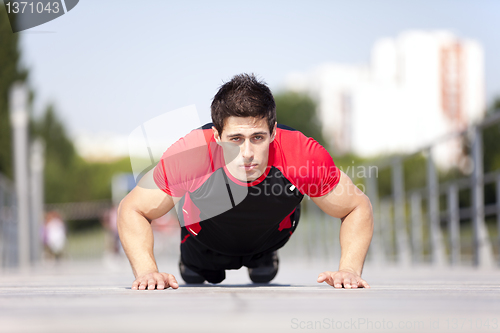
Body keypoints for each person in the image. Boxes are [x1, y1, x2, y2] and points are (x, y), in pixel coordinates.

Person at [117, 73, 373, 290]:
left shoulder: (301, 154)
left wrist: (349, 269)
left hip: (269, 237)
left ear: (273, 132)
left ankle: (263, 257)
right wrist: (146, 272)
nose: (247, 152)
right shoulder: (190, 155)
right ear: (217, 135)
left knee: (264, 271)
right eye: (236, 139)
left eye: (258, 138)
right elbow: (133, 208)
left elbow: (356, 206)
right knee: (198, 276)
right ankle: (194, 261)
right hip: (205, 245)